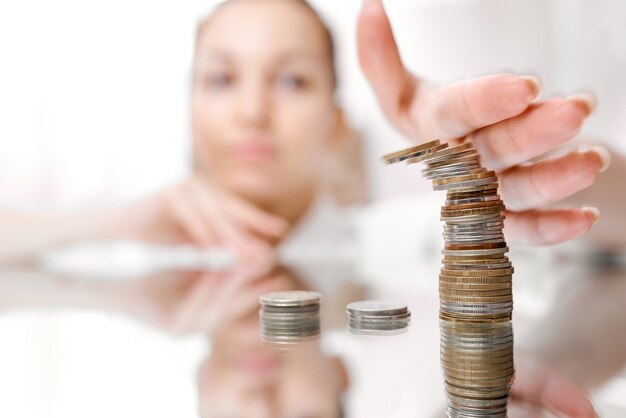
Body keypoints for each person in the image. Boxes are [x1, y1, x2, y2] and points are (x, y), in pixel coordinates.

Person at [0, 0, 613, 416]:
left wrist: (508, 164)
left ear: (336, 119)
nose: (252, 112)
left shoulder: (408, 214)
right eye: (221, 79)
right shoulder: (126, 214)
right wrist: (123, 221)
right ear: (187, 107)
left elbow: (605, 222)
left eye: (291, 81)